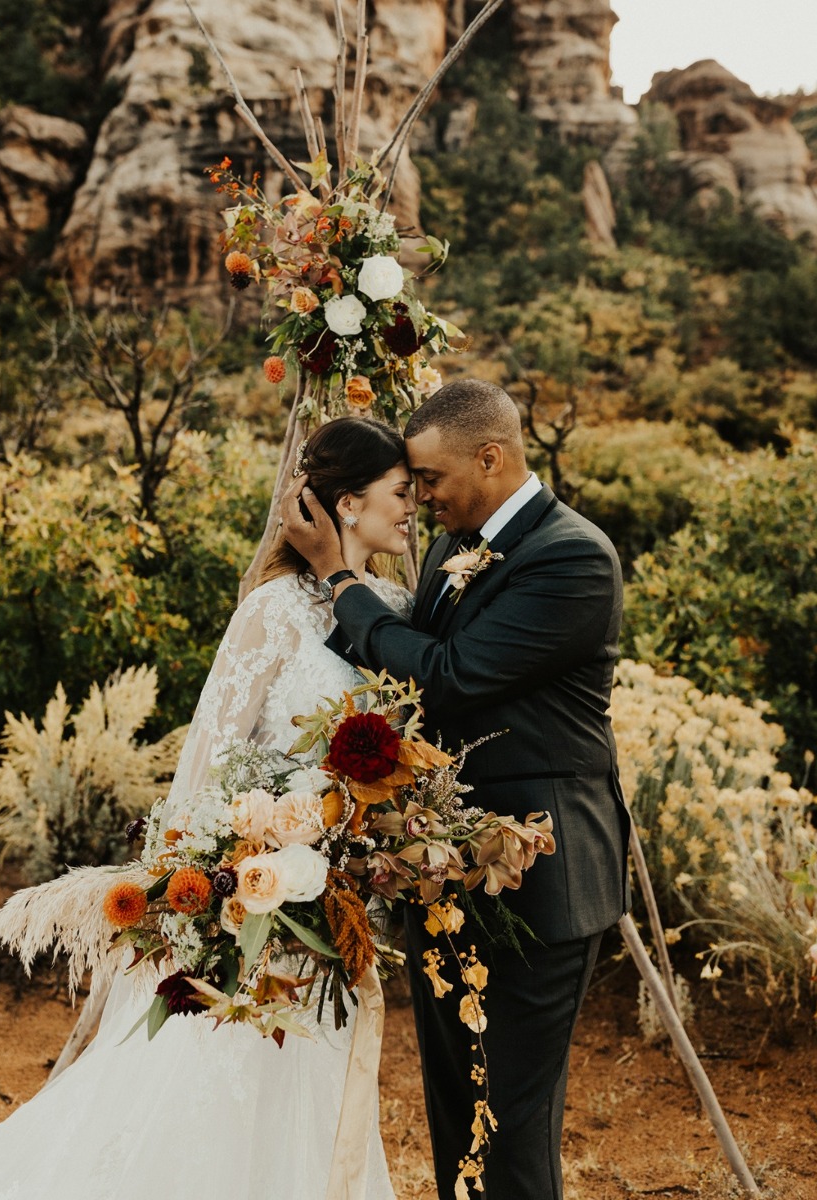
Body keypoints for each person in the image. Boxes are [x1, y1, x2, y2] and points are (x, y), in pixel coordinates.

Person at [0, 416, 417, 1200]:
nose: (412, 510)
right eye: (400, 493)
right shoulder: (273, 612)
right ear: (346, 504)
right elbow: (210, 760)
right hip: (255, 886)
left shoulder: (397, 605)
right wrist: (209, 883)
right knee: (230, 1066)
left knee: (311, 1065)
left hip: (339, 896)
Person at [283, 378, 631, 1200]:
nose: (423, 496)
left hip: (541, 885)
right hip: (444, 875)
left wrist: (340, 577)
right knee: (457, 1108)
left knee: (509, 1125)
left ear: (491, 456)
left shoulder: (574, 557)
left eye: (431, 479)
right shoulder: (454, 540)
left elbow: (445, 677)